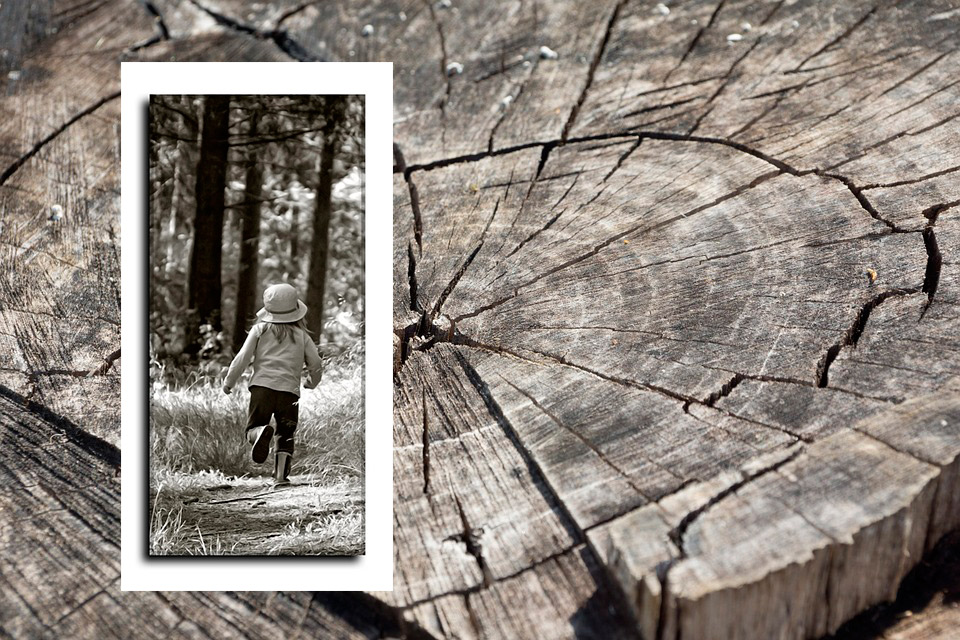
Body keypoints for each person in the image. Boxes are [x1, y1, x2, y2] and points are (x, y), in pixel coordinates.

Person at [223, 283, 323, 485]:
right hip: (289, 393)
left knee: (252, 427)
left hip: (262, 389)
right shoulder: (302, 336)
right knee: (285, 433)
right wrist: (312, 381)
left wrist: (229, 381)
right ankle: (280, 477)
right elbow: (316, 362)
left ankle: (259, 432)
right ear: (296, 311)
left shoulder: (259, 330)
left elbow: (242, 357)